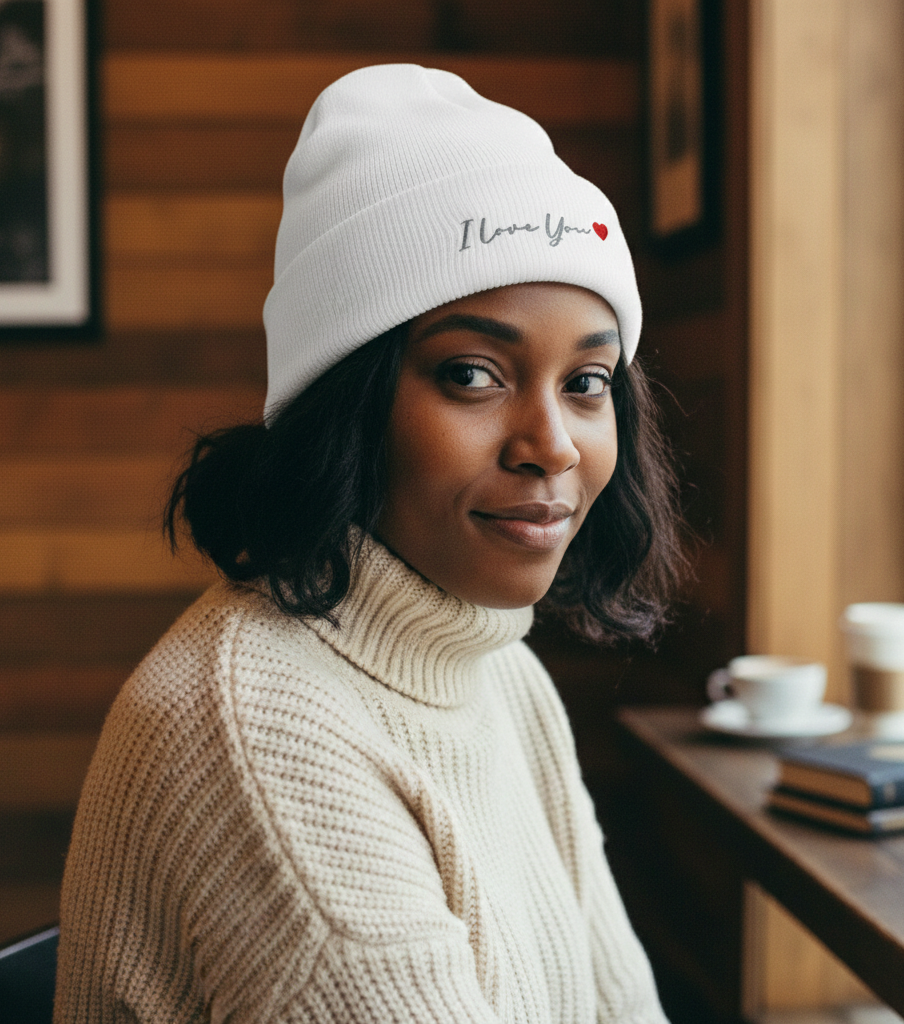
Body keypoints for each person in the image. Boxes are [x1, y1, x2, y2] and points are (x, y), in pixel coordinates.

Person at [54, 64, 684, 1023]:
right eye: (473, 373)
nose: (551, 442)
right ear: (345, 405)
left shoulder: (499, 673)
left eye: (587, 381)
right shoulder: (258, 739)